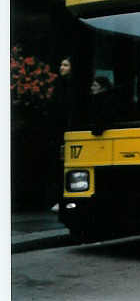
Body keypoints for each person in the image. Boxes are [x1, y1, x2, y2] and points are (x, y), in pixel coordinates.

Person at [48, 57, 76, 212]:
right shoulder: (60, 85)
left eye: (65, 65)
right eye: (61, 64)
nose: (61, 68)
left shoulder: (70, 87)